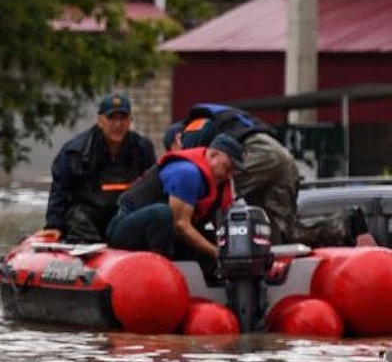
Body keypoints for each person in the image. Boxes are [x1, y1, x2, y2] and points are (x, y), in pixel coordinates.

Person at [106, 134, 242, 268]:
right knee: (161, 213)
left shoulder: (221, 184)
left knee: (205, 239)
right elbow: (180, 225)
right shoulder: (187, 173)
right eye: (227, 168)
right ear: (213, 156)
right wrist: (217, 252)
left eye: (233, 172)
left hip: (163, 235)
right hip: (125, 226)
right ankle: (162, 270)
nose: (228, 176)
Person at [173, 103, 300, 244]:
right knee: (276, 222)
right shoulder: (222, 117)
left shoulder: (193, 127)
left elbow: (193, 161)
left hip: (256, 152)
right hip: (280, 154)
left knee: (215, 191)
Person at [44, 93, 157, 243]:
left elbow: (152, 186)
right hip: (88, 217)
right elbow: (60, 190)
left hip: (123, 215)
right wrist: (54, 225)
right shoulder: (76, 151)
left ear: (130, 121)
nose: (118, 125)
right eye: (112, 118)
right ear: (100, 121)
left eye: (123, 118)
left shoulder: (143, 148)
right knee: (77, 216)